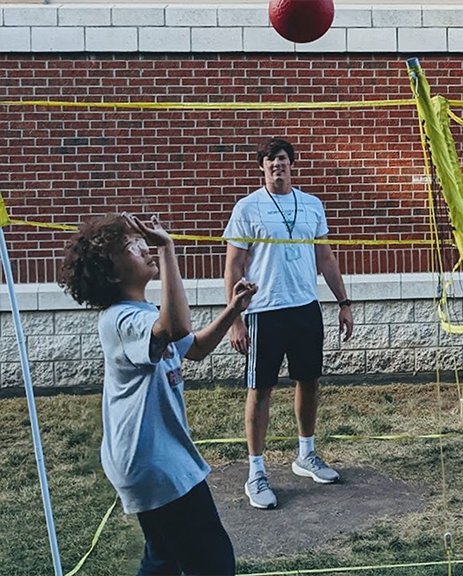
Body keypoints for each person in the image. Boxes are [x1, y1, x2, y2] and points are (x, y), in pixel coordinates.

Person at [58, 213, 257, 575]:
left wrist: (232, 310)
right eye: (133, 248)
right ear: (114, 274)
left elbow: (193, 347)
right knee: (213, 561)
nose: (144, 248)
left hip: (152, 460)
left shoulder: (142, 313)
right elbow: (177, 325)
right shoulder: (120, 321)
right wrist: (168, 249)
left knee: (163, 557)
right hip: (153, 462)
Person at [224, 137, 354, 510]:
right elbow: (233, 266)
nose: (276, 165)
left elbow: (326, 258)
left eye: (281, 159)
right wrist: (235, 318)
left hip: (304, 308)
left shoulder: (311, 205)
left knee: (309, 381)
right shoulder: (247, 208)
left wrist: (343, 302)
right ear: (262, 167)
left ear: (291, 164)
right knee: (260, 390)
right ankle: (256, 471)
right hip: (264, 311)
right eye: (269, 160)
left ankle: (306, 454)